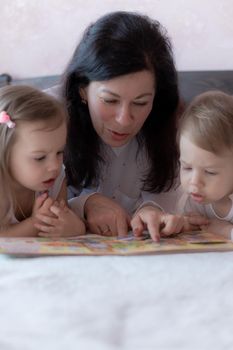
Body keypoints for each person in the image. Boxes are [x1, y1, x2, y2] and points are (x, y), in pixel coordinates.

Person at [50, 11, 206, 241]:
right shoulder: (44, 118)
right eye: (110, 100)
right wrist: (85, 203)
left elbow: (184, 198)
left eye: (141, 102)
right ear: (82, 89)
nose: (124, 120)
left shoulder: (176, 126)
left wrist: (153, 210)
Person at [0, 85, 86, 237]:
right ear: (4, 154)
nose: (54, 167)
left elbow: (64, 220)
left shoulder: (56, 181)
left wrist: (74, 228)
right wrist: (36, 223)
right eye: (39, 158)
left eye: (59, 152)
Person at [177, 90, 233, 239]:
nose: (194, 182)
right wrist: (186, 223)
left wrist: (227, 231)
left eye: (210, 172)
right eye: (187, 168)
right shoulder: (193, 199)